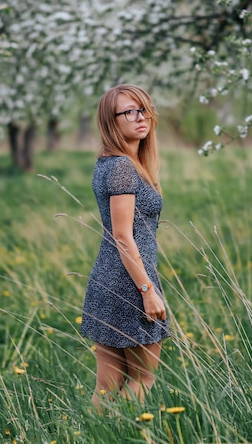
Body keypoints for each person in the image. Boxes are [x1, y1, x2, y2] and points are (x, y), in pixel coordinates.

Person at [81, 84, 169, 410]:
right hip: (130, 283)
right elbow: (122, 235)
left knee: (107, 387)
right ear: (111, 121)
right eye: (129, 112)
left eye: (143, 108)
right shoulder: (121, 167)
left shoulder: (111, 163)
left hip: (108, 280)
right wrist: (147, 290)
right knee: (142, 379)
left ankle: (93, 435)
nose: (140, 117)